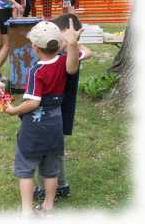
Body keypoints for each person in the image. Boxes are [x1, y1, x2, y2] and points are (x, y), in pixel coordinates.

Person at [4, 19, 83, 215]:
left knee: (25, 168)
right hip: (55, 124)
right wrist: (72, 44)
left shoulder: (36, 70)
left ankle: (26, 212)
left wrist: (13, 109)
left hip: (35, 128)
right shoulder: (64, 61)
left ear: (34, 47)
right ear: (58, 44)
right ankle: (48, 206)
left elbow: (33, 102)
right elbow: (73, 67)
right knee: (50, 169)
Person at [33, 13, 92, 200]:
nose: (55, 39)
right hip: (48, 112)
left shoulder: (69, 58)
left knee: (45, 151)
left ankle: (47, 187)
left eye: (59, 35)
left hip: (56, 114)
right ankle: (62, 185)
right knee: (54, 151)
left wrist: (73, 43)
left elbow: (73, 67)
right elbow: (88, 52)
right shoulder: (59, 54)